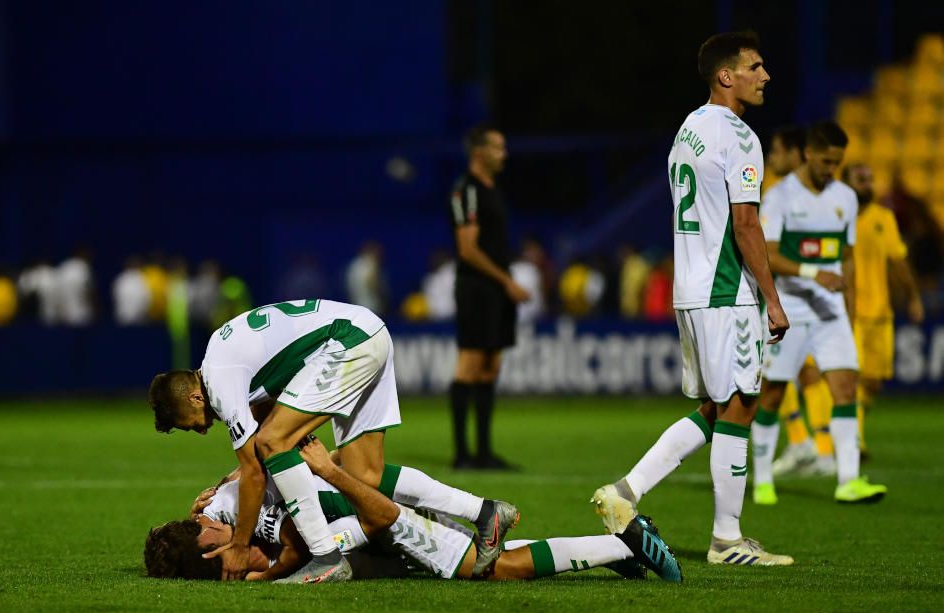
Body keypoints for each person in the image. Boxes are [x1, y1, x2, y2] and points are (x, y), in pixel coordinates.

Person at [592, 31, 794, 566]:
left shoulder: (689, 128)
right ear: (726, 76)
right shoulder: (739, 135)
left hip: (691, 286)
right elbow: (746, 225)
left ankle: (625, 493)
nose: (765, 75)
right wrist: (772, 299)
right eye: (755, 66)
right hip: (726, 289)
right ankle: (727, 540)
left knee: (715, 405)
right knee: (742, 405)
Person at [148, 299, 519, 584]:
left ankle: (325, 558)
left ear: (195, 398)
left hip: (345, 342)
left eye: (189, 424)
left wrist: (242, 547)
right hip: (370, 332)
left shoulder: (220, 384)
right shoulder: (224, 361)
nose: (199, 430)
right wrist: (227, 483)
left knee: (274, 441)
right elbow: (262, 446)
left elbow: (260, 462)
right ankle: (486, 513)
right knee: (365, 477)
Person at [145, 437, 682, 583]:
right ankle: (618, 546)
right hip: (372, 529)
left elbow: (255, 467)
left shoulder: (223, 498)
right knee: (493, 563)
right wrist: (266, 566)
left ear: (200, 521)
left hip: (377, 512)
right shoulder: (233, 558)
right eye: (217, 551)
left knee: (493, 568)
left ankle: (622, 543)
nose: (226, 544)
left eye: (214, 538)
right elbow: (280, 558)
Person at [749, 122, 888, 505]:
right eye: (827, 161)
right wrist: (814, 273)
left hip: (830, 313)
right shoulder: (780, 197)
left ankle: (848, 480)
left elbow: (846, 257)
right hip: (789, 310)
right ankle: (762, 480)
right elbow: (770, 254)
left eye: (837, 163)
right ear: (809, 154)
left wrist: (851, 306)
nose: (832, 169)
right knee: (773, 395)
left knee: (845, 388)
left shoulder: (844, 196)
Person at [447, 124, 530, 470]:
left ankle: (483, 452)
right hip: (477, 288)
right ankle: (462, 455)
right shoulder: (466, 190)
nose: (504, 154)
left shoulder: (493, 190)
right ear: (479, 152)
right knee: (469, 366)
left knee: (489, 368)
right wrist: (505, 281)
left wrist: (504, 284)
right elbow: (467, 249)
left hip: (495, 290)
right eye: (498, 147)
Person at [763, 126, 837, 483]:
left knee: (783, 373)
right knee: (800, 371)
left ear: (796, 153)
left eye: (776, 150)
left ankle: (810, 445)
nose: (770, 158)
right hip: (794, 293)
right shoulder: (787, 193)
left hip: (794, 295)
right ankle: (814, 446)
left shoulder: (795, 195)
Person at [841, 163, 924, 456]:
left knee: (873, 383)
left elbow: (898, 262)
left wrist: (913, 297)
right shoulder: (837, 218)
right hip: (850, 313)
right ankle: (854, 442)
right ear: (847, 184)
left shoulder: (883, 218)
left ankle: (847, 432)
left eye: (870, 179)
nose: (868, 184)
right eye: (861, 179)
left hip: (881, 313)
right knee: (853, 379)